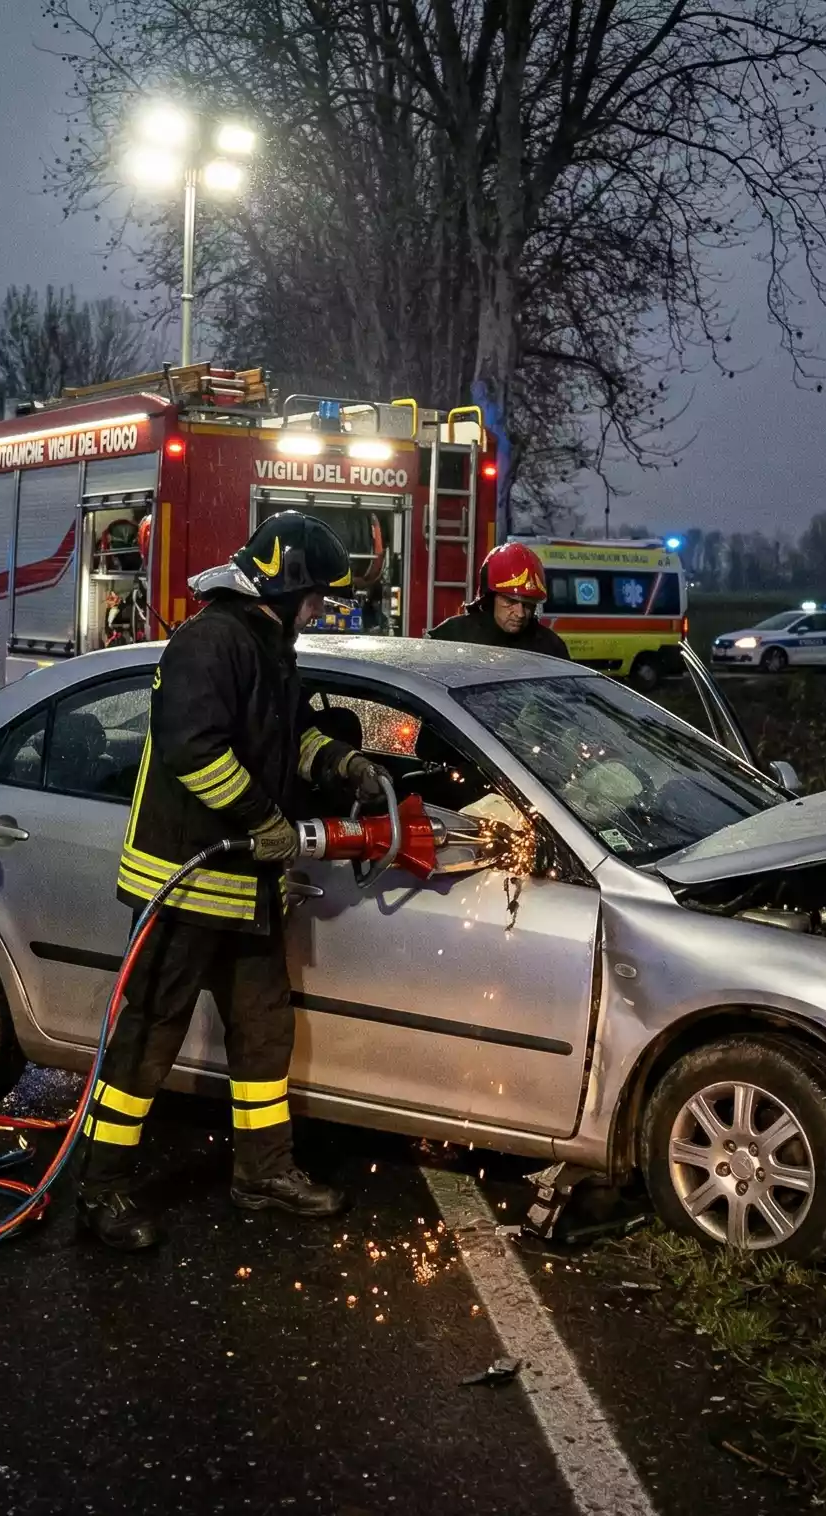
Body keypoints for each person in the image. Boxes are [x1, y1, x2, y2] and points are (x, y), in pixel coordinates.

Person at [78, 511, 395, 1253]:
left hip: (243, 887)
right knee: (146, 1041)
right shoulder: (209, 642)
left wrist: (336, 762)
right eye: (314, 595)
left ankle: (264, 1173)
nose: (319, 608)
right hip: (182, 884)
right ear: (283, 586)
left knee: (262, 1032)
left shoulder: (268, 644)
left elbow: (283, 736)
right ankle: (100, 1189)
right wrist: (264, 820)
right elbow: (195, 751)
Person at [428, 542, 575, 660]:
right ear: (490, 598)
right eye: (510, 601)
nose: (521, 613)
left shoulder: (550, 647)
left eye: (528, 604)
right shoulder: (451, 637)